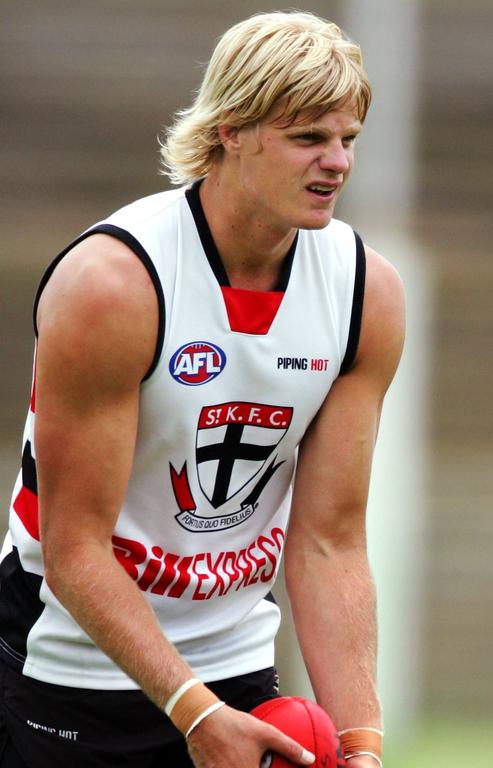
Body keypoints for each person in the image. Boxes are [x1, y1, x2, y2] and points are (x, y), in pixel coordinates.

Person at [0, 11, 403, 768]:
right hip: (69, 671)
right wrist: (195, 714)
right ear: (231, 129)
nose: (338, 162)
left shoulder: (364, 294)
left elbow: (328, 542)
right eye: (309, 138)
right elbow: (74, 549)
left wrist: (363, 745)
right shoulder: (115, 284)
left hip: (236, 670)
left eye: (348, 138)